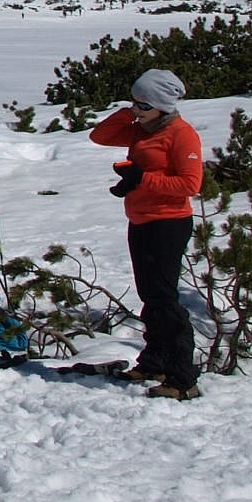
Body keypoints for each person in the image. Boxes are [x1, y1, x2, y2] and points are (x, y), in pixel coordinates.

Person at [91, 69, 205, 400]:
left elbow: (190, 184)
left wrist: (142, 179)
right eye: (135, 102)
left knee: (164, 300)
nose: (137, 110)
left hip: (168, 223)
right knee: (150, 297)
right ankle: (155, 362)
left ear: (162, 105)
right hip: (140, 220)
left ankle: (183, 377)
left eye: (144, 104)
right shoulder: (141, 129)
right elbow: (100, 135)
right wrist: (128, 112)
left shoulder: (181, 134)